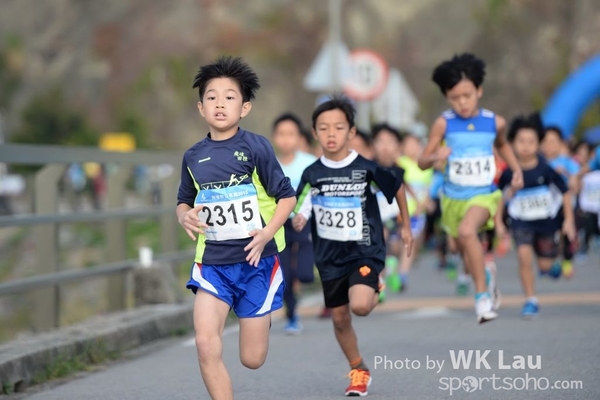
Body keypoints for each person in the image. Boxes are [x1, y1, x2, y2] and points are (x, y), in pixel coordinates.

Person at [176, 56, 297, 400]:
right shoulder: (193, 156)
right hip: (212, 263)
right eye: (211, 97)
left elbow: (286, 198)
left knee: (252, 359)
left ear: (244, 108)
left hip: (256, 263)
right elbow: (183, 201)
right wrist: (184, 215)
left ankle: (261, 314)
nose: (219, 103)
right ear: (201, 107)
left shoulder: (256, 147)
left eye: (229, 97)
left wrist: (267, 231)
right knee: (205, 343)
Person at [292, 95, 413, 396]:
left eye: (338, 127)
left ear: (352, 132)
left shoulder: (366, 168)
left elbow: (396, 188)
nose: (331, 134)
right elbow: (302, 202)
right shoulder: (312, 173)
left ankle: (374, 283)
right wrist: (298, 218)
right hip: (329, 255)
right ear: (315, 133)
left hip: (364, 248)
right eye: (323, 128)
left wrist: (407, 227)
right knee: (339, 316)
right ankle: (358, 369)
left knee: (359, 306)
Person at [418, 53, 523, 324]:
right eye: (455, 97)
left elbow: (502, 145)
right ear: (447, 97)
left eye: (467, 95)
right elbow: (422, 161)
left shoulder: (494, 122)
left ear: (479, 90)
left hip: (483, 194)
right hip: (452, 198)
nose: (462, 102)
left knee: (467, 231)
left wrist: (516, 169)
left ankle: (482, 300)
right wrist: (435, 157)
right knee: (462, 250)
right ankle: (485, 276)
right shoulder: (443, 123)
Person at [495, 113, 576, 318]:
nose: (526, 146)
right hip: (521, 222)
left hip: (546, 223)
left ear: (538, 144)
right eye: (521, 141)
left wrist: (568, 220)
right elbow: (498, 197)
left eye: (531, 141)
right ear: (512, 143)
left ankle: (552, 265)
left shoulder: (546, 169)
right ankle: (530, 299)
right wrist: (498, 222)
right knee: (523, 257)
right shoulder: (509, 172)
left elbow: (565, 192)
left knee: (544, 265)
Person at [272, 112, 317, 335]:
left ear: (299, 137)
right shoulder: (268, 164)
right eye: (281, 134)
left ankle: (303, 279)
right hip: (279, 225)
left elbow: (319, 191)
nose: (286, 139)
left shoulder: (309, 164)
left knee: (305, 274)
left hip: (305, 223)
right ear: (274, 137)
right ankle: (292, 316)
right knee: (285, 277)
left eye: (291, 134)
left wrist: (306, 213)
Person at [370, 123, 405, 301]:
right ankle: (380, 283)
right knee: (379, 246)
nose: (384, 147)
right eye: (380, 141)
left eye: (389, 142)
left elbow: (404, 192)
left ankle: (391, 269)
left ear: (397, 146)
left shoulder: (399, 170)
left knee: (395, 247)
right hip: (375, 216)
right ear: (373, 145)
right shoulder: (369, 167)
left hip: (393, 215)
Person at [541, 126, 580, 278]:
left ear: (560, 143)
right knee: (549, 236)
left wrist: (564, 173)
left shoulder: (567, 162)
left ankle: (567, 261)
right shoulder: (539, 163)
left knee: (567, 234)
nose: (549, 145)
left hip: (566, 204)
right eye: (545, 141)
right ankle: (550, 262)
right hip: (546, 205)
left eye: (553, 141)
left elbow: (576, 183)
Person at [396, 133, 433, 291]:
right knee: (395, 243)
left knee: (409, 243)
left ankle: (402, 274)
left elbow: (426, 190)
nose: (411, 148)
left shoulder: (425, 168)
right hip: (399, 210)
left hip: (417, 213)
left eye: (414, 144)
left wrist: (423, 205)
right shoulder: (400, 163)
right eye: (408, 144)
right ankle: (392, 265)